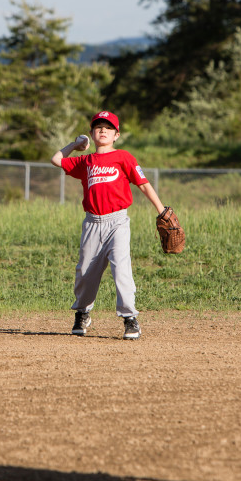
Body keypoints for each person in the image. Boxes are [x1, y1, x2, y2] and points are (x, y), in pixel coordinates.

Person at [51, 111, 166, 340]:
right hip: (92, 223)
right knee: (85, 272)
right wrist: (74, 145)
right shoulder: (86, 161)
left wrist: (161, 210)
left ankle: (129, 318)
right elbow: (56, 160)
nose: (103, 130)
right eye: (98, 127)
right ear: (93, 134)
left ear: (116, 135)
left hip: (118, 221)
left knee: (121, 269)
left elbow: (143, 184)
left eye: (108, 127)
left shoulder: (124, 157)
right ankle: (83, 313)